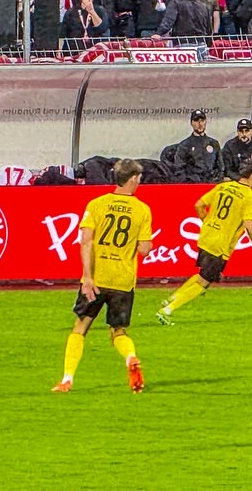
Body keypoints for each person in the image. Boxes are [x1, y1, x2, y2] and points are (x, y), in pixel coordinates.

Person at [53, 158, 152, 394]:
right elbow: (145, 248)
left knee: (80, 327)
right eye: (138, 178)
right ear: (132, 179)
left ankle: (67, 379)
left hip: (96, 278)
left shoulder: (96, 204)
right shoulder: (142, 209)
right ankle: (130, 357)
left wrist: (87, 277)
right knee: (118, 331)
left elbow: (85, 241)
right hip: (123, 280)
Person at [157, 160, 252, 324]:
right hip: (220, 243)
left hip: (207, 236)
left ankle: (172, 298)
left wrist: (207, 222)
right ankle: (167, 310)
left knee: (203, 275)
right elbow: (249, 224)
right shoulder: (250, 197)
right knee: (204, 282)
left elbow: (199, 205)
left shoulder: (223, 186)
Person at [170, 109, 222, 182]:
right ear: (191, 123)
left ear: (206, 122)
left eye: (202, 120)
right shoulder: (185, 144)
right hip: (193, 185)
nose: (200, 124)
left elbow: (221, 167)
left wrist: (217, 180)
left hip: (212, 184)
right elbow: (179, 169)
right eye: (196, 121)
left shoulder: (214, 143)